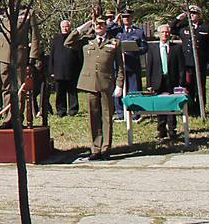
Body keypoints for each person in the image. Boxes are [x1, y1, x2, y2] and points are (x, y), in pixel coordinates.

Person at [65, 17, 120, 160]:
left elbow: (120, 66)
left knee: (107, 116)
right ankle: (96, 148)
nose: (98, 27)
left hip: (106, 83)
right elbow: (68, 42)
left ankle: (106, 148)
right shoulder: (87, 42)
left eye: (101, 24)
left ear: (106, 27)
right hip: (89, 83)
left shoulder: (114, 43)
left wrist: (120, 84)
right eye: (96, 25)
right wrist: (83, 27)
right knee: (93, 116)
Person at [145, 22, 185, 141]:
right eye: (163, 32)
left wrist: (181, 84)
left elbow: (181, 68)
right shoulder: (152, 49)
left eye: (167, 32)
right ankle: (161, 130)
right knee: (160, 106)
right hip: (158, 81)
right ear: (158, 34)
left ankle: (172, 130)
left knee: (171, 106)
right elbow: (149, 68)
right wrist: (149, 84)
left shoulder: (176, 48)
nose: (165, 34)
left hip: (172, 80)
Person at [174, 5, 209, 115]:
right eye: (190, 13)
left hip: (200, 62)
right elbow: (171, 28)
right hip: (187, 62)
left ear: (199, 15)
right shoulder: (184, 28)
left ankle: (200, 108)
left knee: (200, 86)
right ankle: (189, 108)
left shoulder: (205, 28)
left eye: (194, 14)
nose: (192, 15)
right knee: (188, 86)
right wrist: (178, 18)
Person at [108, 10, 147, 116]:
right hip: (120, 64)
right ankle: (120, 113)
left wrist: (135, 49)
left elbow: (144, 48)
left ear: (132, 18)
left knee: (134, 90)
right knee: (119, 87)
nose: (126, 19)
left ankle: (135, 112)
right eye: (124, 17)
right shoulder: (117, 31)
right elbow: (106, 30)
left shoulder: (138, 32)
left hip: (133, 64)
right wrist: (114, 21)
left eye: (128, 17)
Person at [47, 20, 82, 117]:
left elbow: (79, 56)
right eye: (63, 26)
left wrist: (79, 70)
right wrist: (52, 71)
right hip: (58, 71)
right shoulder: (56, 39)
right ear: (60, 27)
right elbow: (52, 55)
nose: (65, 28)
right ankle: (61, 110)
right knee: (60, 92)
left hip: (72, 70)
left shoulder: (75, 39)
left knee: (72, 91)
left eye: (67, 26)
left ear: (70, 27)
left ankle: (73, 110)